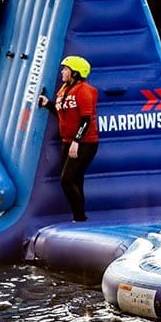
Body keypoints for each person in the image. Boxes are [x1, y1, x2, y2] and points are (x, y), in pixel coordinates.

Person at [38, 56, 99, 222]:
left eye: (66, 69)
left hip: (84, 143)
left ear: (76, 73)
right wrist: (47, 104)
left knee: (67, 180)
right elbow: (62, 114)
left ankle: (80, 217)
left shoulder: (85, 90)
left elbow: (86, 119)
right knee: (76, 179)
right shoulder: (64, 90)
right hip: (67, 141)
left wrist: (76, 142)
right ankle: (79, 216)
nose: (62, 72)